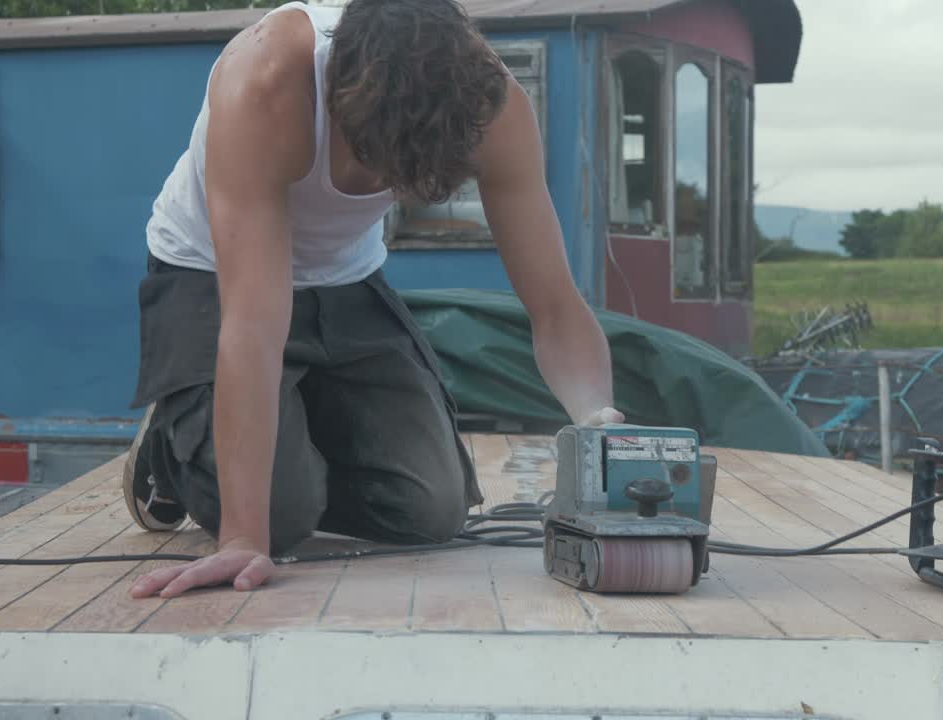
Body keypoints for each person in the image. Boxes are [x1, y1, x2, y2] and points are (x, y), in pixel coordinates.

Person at [122, 0, 623, 600]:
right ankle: (172, 446)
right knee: (277, 521)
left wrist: (599, 426)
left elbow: (555, 305)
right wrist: (242, 539)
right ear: (340, 96)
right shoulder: (265, 78)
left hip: (344, 277)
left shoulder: (490, 103)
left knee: (429, 512)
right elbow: (253, 325)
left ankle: (281, 433)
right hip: (212, 272)